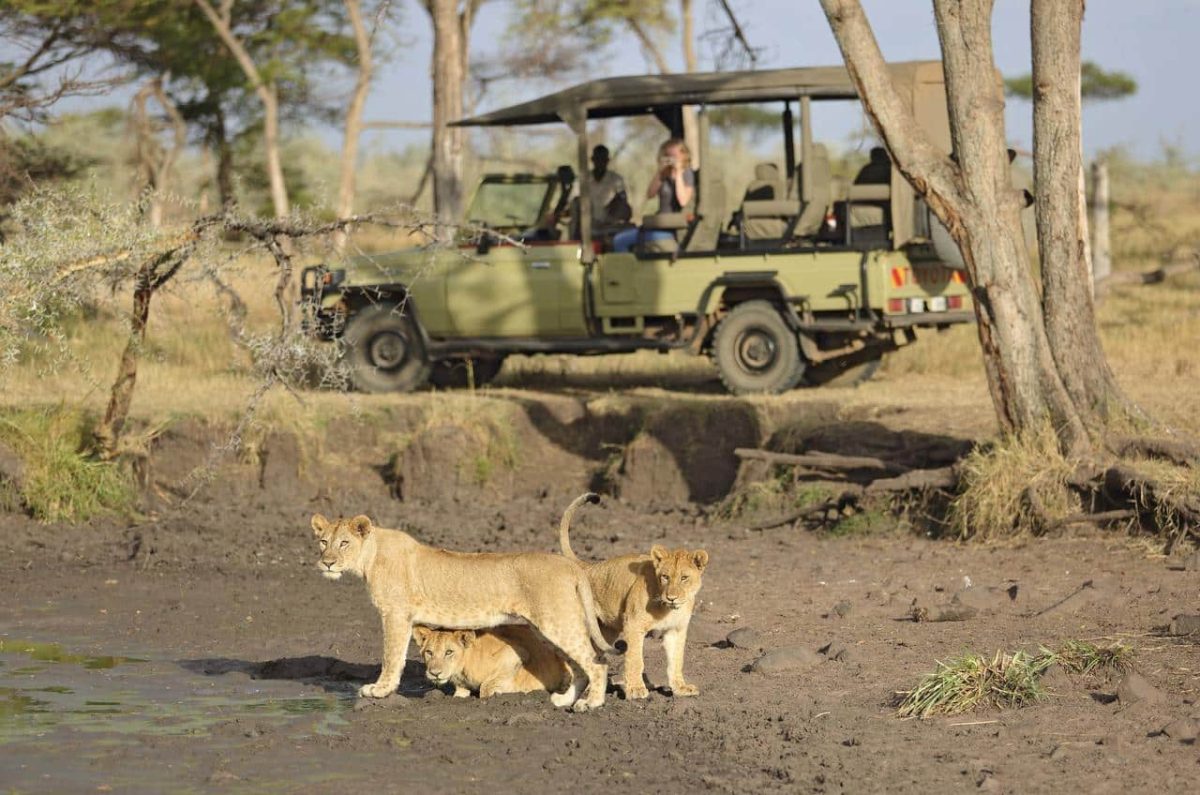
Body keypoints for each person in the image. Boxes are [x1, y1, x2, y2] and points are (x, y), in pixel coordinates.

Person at [612, 138, 695, 253]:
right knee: (619, 238)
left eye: (674, 155)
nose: (671, 158)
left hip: (674, 229)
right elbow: (650, 194)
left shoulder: (687, 173)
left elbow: (683, 201)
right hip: (659, 225)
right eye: (668, 155)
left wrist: (678, 172)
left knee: (620, 241)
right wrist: (660, 172)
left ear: (683, 155)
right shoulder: (664, 174)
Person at [587, 145, 630, 230]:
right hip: (587, 221)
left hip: (610, 221)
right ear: (592, 160)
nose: (600, 162)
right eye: (597, 159)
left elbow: (623, 200)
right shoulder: (584, 179)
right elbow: (575, 201)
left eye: (603, 159)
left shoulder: (616, 179)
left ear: (607, 161)